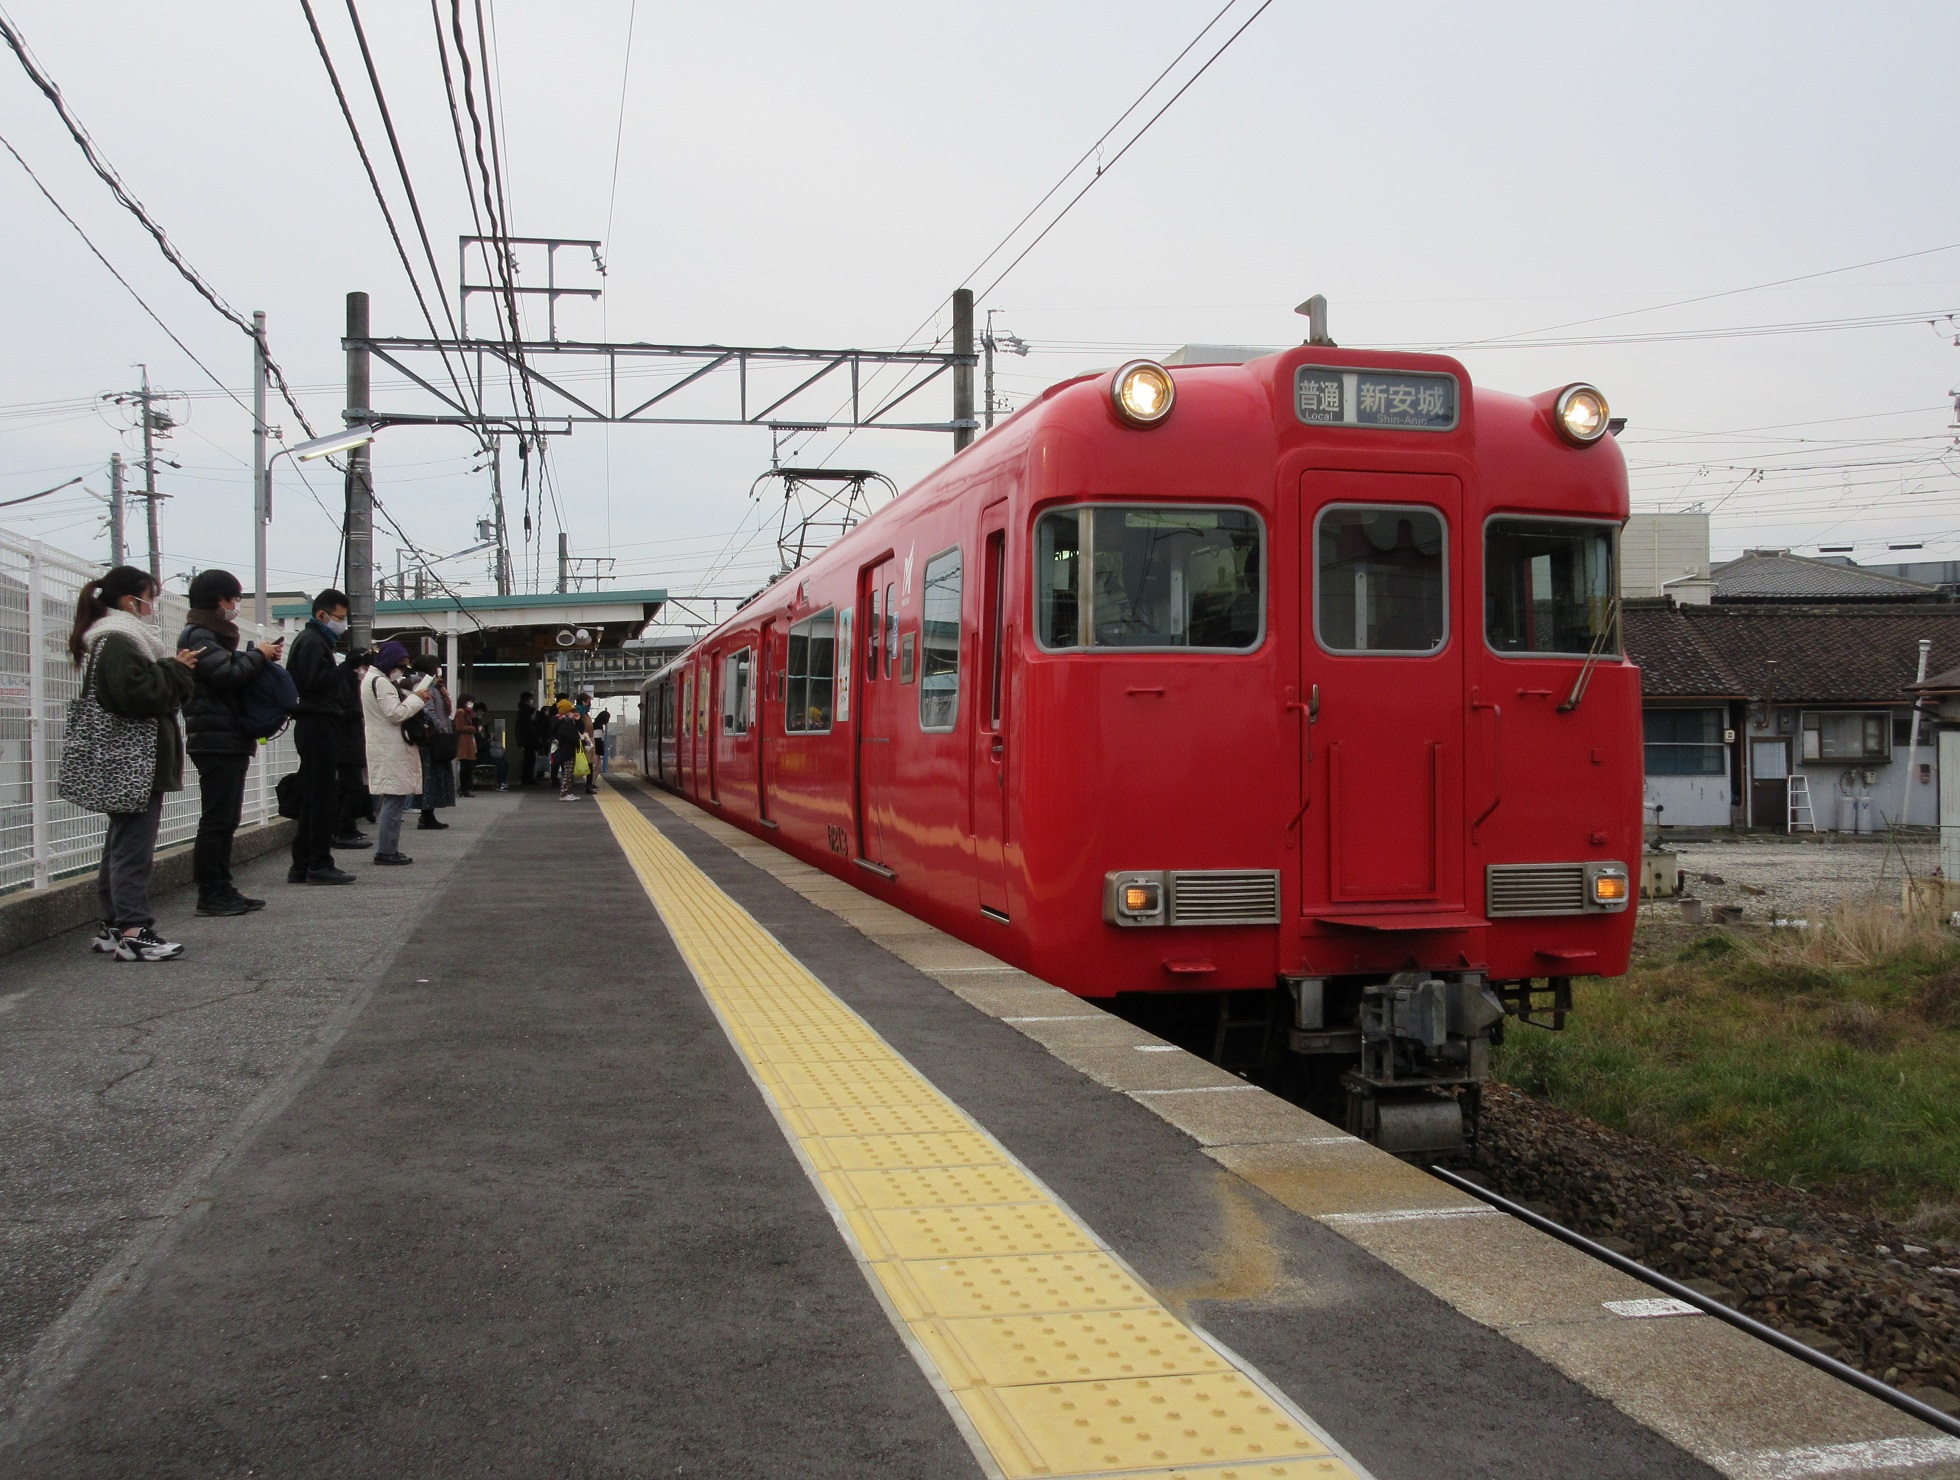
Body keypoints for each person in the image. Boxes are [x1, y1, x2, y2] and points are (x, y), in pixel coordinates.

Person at [71, 566, 197, 961]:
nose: (153, 607)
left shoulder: (110, 639)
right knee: (133, 847)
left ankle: (114, 925)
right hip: (135, 763)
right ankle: (134, 929)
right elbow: (140, 697)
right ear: (131, 601)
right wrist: (176, 669)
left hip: (122, 761)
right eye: (151, 598)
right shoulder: (121, 640)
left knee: (120, 843)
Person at [178, 569, 281, 917]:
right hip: (215, 739)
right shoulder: (200, 634)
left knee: (226, 818)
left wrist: (252, 656)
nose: (237, 605)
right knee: (217, 820)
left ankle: (222, 886)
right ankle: (211, 892)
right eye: (235, 599)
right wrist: (258, 656)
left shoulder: (211, 636)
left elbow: (227, 669)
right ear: (221, 600)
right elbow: (226, 676)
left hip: (225, 737)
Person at [285, 589, 355, 885]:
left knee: (312, 795)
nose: (343, 624)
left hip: (311, 723)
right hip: (317, 722)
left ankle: (302, 864)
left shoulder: (311, 640)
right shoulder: (314, 642)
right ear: (322, 615)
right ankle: (319, 863)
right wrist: (346, 667)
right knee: (323, 795)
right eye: (340, 617)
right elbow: (317, 683)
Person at [360, 640, 427, 865]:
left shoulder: (373, 679)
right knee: (394, 799)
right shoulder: (381, 682)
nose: (402, 670)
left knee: (393, 797)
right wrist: (418, 699)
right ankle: (386, 850)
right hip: (391, 747)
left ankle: (388, 848)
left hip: (384, 745)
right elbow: (395, 714)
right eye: (401, 665)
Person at [334, 647, 375, 850]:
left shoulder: (346, 676)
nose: (365, 670)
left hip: (346, 742)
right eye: (364, 666)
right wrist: (360, 711)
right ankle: (345, 830)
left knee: (348, 788)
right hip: (346, 742)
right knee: (353, 789)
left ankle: (346, 828)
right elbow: (345, 709)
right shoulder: (345, 679)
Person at [413, 657, 456, 830]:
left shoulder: (435, 685)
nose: (439, 669)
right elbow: (428, 710)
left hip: (437, 737)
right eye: (436, 666)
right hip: (432, 739)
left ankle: (428, 814)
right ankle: (426, 815)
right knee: (429, 778)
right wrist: (440, 727)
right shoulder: (425, 685)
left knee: (435, 777)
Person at [552, 698, 583, 800]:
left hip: (566, 749)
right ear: (566, 711)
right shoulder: (564, 723)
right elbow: (570, 735)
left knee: (569, 772)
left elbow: (580, 729)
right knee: (568, 773)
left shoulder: (563, 721)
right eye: (571, 711)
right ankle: (565, 793)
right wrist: (578, 741)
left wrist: (577, 720)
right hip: (567, 750)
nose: (573, 713)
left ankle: (568, 792)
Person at [454, 694, 479, 797]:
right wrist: (472, 728)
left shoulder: (467, 713)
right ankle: (464, 789)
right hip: (464, 742)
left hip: (468, 742)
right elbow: (459, 727)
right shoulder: (461, 712)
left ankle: (465, 788)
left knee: (468, 767)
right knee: (466, 767)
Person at [515, 692, 539, 786]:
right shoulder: (525, 712)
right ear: (527, 699)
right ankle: (528, 779)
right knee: (530, 760)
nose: (532, 701)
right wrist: (535, 732)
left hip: (525, 739)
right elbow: (528, 727)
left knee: (528, 759)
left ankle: (527, 779)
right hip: (528, 739)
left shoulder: (522, 711)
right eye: (531, 699)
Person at [593, 708, 611, 776]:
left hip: (595, 749)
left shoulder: (596, 724)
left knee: (597, 766)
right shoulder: (598, 726)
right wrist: (600, 751)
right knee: (596, 766)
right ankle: (591, 783)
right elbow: (597, 740)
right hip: (596, 750)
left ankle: (592, 782)